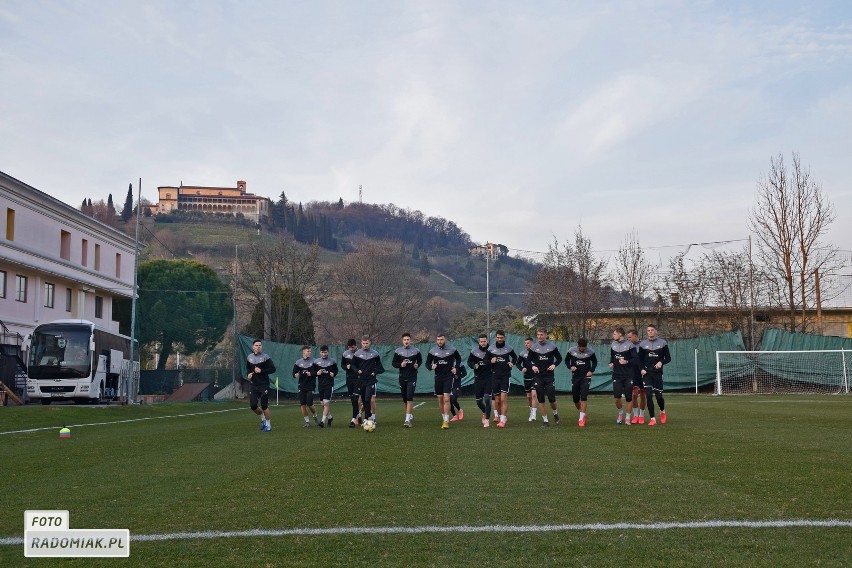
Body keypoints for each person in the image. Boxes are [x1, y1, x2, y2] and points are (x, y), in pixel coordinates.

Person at [425, 333, 461, 429]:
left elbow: (458, 358)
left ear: (445, 340)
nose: (440, 341)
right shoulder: (432, 351)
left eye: (441, 339)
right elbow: (427, 363)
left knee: (446, 398)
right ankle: (444, 417)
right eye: (438, 340)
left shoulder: (452, 349)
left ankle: (446, 421)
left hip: (448, 377)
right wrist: (431, 367)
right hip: (438, 377)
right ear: (436, 341)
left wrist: (456, 368)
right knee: (440, 399)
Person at [639, 324, 672, 426]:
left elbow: (668, 357)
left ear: (656, 331)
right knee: (648, 395)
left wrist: (661, 362)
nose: (650, 332)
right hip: (647, 374)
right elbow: (639, 359)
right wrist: (641, 369)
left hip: (658, 374)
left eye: (652, 330)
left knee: (659, 397)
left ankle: (662, 411)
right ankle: (652, 418)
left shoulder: (662, 343)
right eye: (648, 330)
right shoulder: (642, 344)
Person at [529, 327, 562, 427]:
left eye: (541, 335)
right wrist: (533, 366)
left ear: (546, 335)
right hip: (538, 377)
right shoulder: (533, 347)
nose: (539, 336)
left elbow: (559, 358)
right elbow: (528, 360)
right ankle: (545, 420)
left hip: (549, 377)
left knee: (551, 399)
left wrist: (554, 365)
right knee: (541, 398)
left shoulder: (552, 346)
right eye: (538, 335)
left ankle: (555, 413)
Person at [352, 335, 385, 424]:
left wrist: (375, 372)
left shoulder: (375, 354)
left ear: (370, 343)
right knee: (360, 400)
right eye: (364, 343)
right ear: (361, 343)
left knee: (369, 400)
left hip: (371, 380)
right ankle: (360, 417)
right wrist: (357, 370)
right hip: (361, 381)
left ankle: (369, 418)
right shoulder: (357, 354)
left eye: (367, 343)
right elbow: (353, 365)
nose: (365, 345)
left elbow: (380, 367)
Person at [488, 330, 517, 428]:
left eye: (501, 337)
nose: (500, 339)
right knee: (497, 400)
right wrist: (490, 361)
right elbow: (485, 360)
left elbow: (515, 357)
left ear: (504, 337)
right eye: (498, 337)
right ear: (495, 338)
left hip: (505, 376)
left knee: (503, 398)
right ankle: (501, 417)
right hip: (495, 376)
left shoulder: (509, 348)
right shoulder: (490, 348)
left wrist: (512, 363)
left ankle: (503, 419)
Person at [392, 332, 422, 428]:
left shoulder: (416, 351)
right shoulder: (398, 351)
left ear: (410, 340)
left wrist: (418, 365)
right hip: (402, 377)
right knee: (405, 399)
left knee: (409, 397)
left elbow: (420, 361)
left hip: (412, 377)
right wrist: (400, 365)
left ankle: (407, 420)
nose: (406, 341)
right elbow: (393, 363)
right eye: (405, 340)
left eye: (408, 339)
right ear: (402, 341)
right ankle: (410, 415)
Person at [246, 339, 276, 432]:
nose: (258, 347)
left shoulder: (266, 357)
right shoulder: (249, 357)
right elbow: (248, 369)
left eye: (260, 345)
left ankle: (268, 425)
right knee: (253, 406)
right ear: (253, 347)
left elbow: (272, 369)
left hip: (264, 384)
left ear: (261, 347)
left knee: (264, 406)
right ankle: (263, 419)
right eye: (256, 345)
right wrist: (249, 375)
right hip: (253, 384)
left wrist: (262, 371)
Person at [566, 338, 597, 427]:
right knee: (575, 399)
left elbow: (594, 362)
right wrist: (570, 366)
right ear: (578, 346)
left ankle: (581, 419)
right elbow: (566, 360)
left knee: (583, 396)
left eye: (585, 348)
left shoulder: (590, 352)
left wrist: (591, 370)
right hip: (576, 376)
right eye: (582, 349)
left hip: (586, 376)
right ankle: (583, 413)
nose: (584, 350)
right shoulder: (571, 351)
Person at [608, 327, 635, 425]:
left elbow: (635, 360)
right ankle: (620, 412)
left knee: (629, 397)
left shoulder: (630, 345)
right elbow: (612, 357)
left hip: (628, 375)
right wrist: (611, 363)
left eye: (614, 334)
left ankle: (627, 417)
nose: (613, 335)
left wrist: (626, 361)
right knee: (617, 398)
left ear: (620, 334)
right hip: (617, 375)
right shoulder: (613, 344)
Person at [467, 334, 492, 428]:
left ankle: (487, 420)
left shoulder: (491, 350)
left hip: (489, 378)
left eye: (484, 341)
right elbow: (469, 362)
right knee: (478, 401)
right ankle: (485, 412)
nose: (483, 343)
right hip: (478, 379)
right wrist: (474, 366)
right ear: (479, 342)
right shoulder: (474, 351)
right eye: (481, 341)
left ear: (487, 341)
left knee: (487, 398)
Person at [293, 345, 321, 427]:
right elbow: (294, 373)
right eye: (308, 351)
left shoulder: (315, 361)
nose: (309, 352)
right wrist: (295, 375)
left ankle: (315, 416)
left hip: (311, 385)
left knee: (309, 403)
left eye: (310, 351)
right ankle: (307, 422)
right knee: (302, 404)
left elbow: (318, 372)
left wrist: (311, 373)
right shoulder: (298, 362)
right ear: (303, 352)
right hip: (301, 385)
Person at [314, 345, 338, 427]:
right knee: (322, 404)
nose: (323, 354)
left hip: (329, 384)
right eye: (322, 352)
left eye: (325, 352)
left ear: (328, 352)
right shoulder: (316, 362)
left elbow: (336, 370)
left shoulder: (332, 361)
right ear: (320, 352)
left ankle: (322, 422)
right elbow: (313, 372)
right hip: (321, 385)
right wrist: (317, 373)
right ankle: (330, 417)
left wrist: (333, 374)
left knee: (326, 403)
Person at [627, 329, 646, 424]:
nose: (628, 339)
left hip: (642, 373)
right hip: (632, 373)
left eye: (630, 337)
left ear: (635, 336)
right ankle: (635, 415)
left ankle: (641, 415)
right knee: (634, 395)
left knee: (643, 395)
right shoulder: (628, 346)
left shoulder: (643, 345)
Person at [341, 339, 361, 428]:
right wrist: (346, 367)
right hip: (349, 379)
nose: (351, 349)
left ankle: (353, 419)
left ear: (356, 346)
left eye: (352, 347)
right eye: (349, 347)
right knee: (352, 399)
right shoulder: (345, 354)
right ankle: (359, 415)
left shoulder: (360, 353)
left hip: (358, 379)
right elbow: (342, 365)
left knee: (355, 398)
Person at [516, 337, 537, 421]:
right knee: (529, 397)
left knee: (534, 395)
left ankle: (533, 414)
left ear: (532, 343)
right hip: (527, 377)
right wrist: (522, 368)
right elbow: (517, 364)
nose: (526, 345)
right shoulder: (523, 353)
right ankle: (531, 411)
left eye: (528, 343)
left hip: (536, 376)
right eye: (525, 343)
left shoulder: (537, 352)